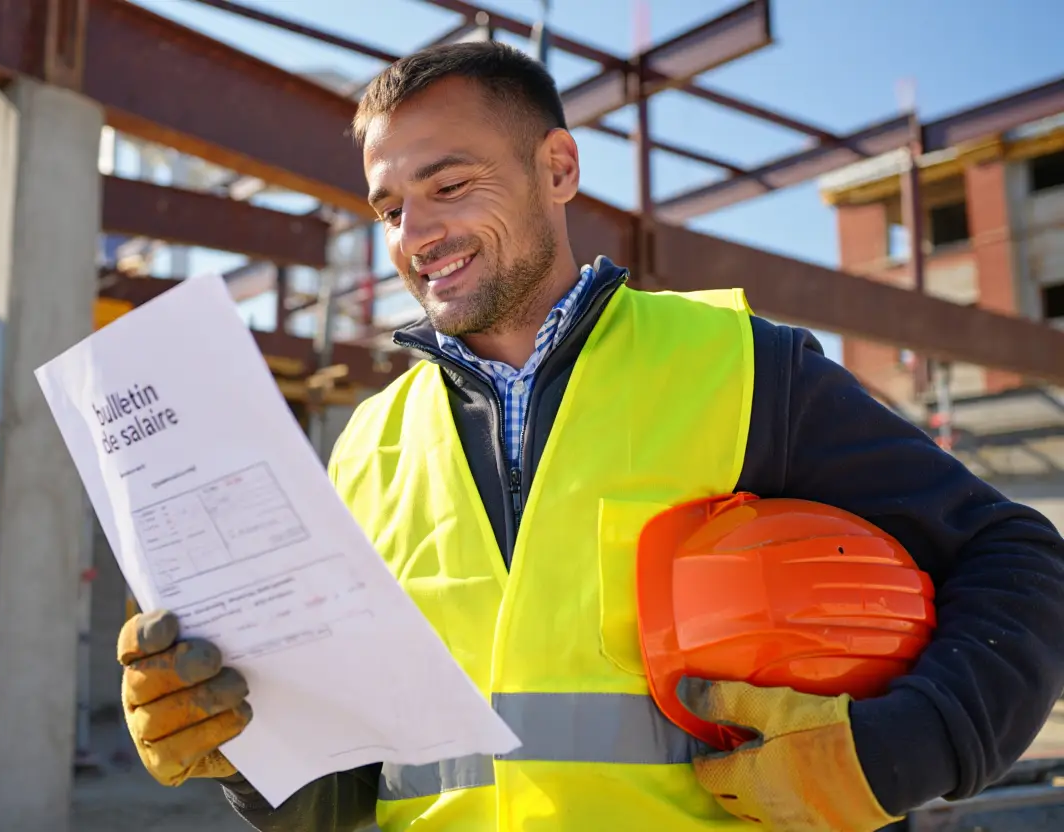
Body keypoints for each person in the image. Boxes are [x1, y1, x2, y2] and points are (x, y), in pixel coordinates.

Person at [114, 41, 1064, 832]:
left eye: (451, 185)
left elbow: (1016, 556)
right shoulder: (366, 446)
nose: (417, 235)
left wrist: (906, 750)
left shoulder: (741, 368)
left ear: (558, 169)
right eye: (392, 208)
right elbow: (348, 797)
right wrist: (237, 746)